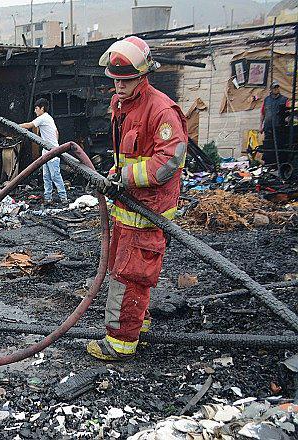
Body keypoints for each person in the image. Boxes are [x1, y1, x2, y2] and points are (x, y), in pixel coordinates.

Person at [88, 36, 188, 361]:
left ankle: (120, 343)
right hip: (127, 208)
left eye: (126, 80)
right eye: (115, 80)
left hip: (148, 211)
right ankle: (137, 322)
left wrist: (125, 178)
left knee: (129, 276)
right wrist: (115, 174)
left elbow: (168, 162)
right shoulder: (124, 107)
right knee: (126, 271)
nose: (118, 86)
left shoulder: (161, 111)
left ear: (143, 76)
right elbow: (128, 154)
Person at [20, 98, 68, 205]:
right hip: (47, 151)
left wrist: (16, 126)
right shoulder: (49, 118)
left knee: (55, 176)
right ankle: (48, 198)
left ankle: (64, 198)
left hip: (52, 153)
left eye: (36, 108)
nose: (35, 111)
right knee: (46, 176)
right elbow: (56, 132)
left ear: (42, 108)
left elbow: (29, 125)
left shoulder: (43, 117)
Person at [260, 81, 291, 166]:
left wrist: (288, 122)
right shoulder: (266, 100)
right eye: (274, 88)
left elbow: (289, 113)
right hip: (268, 127)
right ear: (271, 90)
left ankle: (281, 164)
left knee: (280, 146)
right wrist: (261, 126)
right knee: (269, 146)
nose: (276, 89)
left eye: (277, 87)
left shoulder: (284, 99)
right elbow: (263, 113)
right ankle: (269, 165)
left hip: (279, 127)